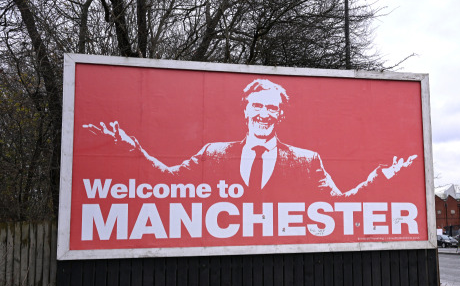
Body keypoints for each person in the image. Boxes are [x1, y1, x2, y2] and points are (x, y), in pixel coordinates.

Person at [83, 79, 416, 197]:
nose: (263, 114)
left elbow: (338, 203)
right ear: (245, 110)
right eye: (256, 106)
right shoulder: (213, 153)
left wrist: (379, 178)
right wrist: (135, 150)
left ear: (280, 115)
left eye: (271, 108)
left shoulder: (306, 160)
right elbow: (169, 181)